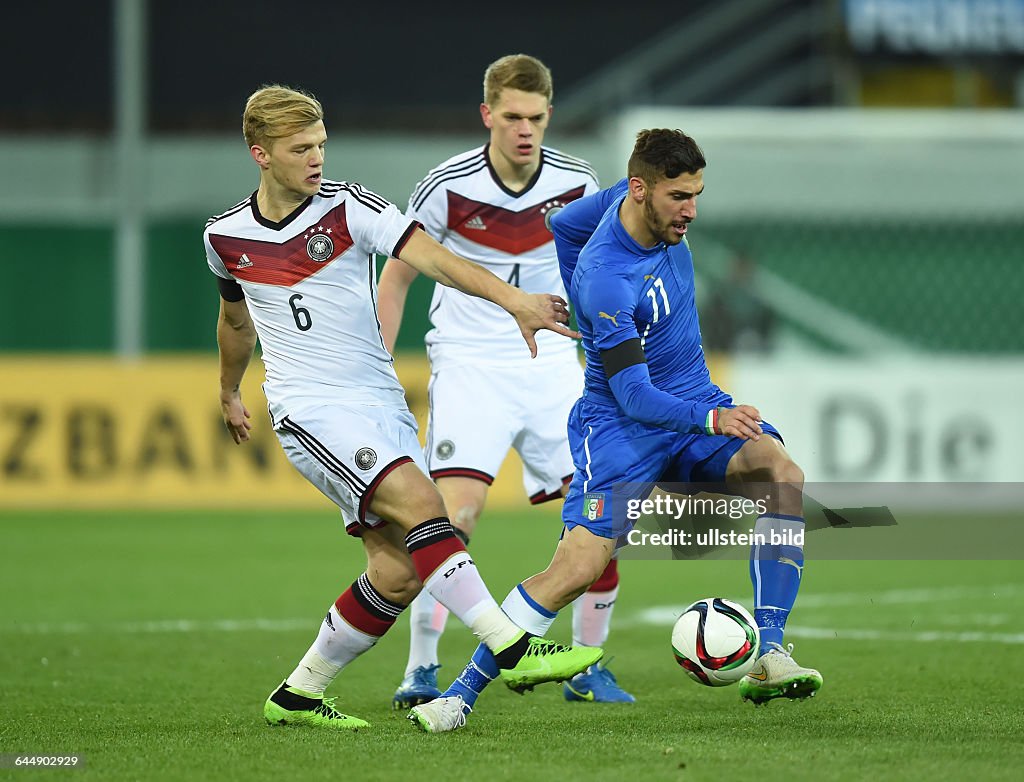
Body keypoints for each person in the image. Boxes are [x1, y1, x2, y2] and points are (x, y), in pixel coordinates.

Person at [203, 84, 604, 731]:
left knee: (396, 573)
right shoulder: (225, 237)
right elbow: (235, 323)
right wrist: (228, 388)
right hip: (310, 409)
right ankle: (514, 646)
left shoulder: (351, 208)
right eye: (300, 148)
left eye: (321, 145)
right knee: (426, 507)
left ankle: (298, 694)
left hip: (379, 402)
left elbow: (437, 261)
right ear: (260, 153)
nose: (316, 159)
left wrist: (516, 301)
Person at [409, 128, 822, 733]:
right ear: (641, 190)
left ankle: (770, 654)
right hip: (622, 430)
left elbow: (562, 226)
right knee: (574, 570)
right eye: (679, 196)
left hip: (692, 404)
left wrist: (706, 411)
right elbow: (633, 394)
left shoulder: (616, 209)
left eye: (697, 194)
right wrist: (713, 418)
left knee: (781, 472)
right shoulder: (608, 280)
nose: (692, 211)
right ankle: (458, 695)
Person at [377, 54, 634, 709]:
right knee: (450, 519)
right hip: (471, 364)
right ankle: (422, 668)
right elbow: (398, 277)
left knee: (601, 519)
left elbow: (606, 272)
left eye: (537, 117)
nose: (526, 129)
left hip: (554, 366)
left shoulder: (579, 183)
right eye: (513, 116)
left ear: (550, 115)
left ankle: (588, 667)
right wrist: (380, 365)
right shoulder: (445, 186)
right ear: (487, 114)